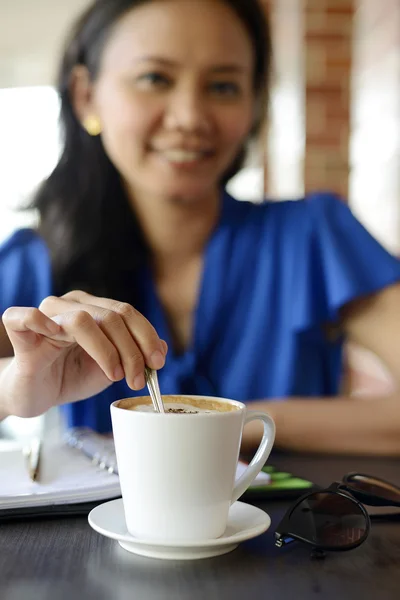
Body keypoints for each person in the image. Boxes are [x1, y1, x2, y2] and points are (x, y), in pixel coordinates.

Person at [1, 0, 400, 456]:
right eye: (155, 78)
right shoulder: (32, 260)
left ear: (253, 104)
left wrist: (239, 420)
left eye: (224, 86)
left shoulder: (315, 236)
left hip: (292, 527)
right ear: (86, 96)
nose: (190, 117)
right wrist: (11, 389)